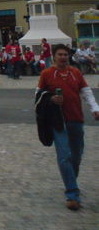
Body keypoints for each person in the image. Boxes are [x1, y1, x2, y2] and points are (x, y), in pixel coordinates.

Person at [36, 44, 99, 211]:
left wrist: (95, 108)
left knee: (76, 156)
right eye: (60, 54)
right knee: (64, 156)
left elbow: (86, 92)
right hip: (58, 121)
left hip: (76, 118)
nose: (63, 57)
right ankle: (72, 193)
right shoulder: (47, 74)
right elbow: (38, 95)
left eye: (65, 54)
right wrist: (50, 99)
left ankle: (71, 180)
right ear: (54, 56)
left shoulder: (75, 73)